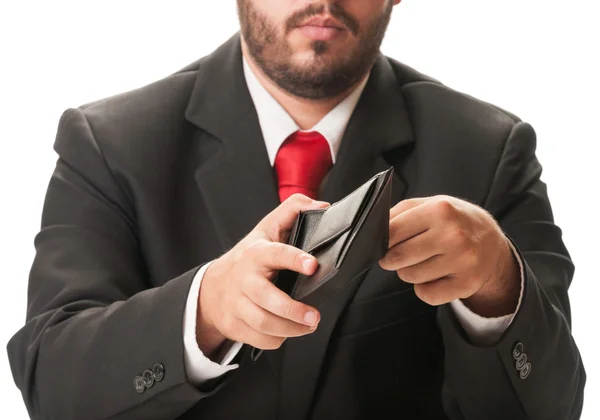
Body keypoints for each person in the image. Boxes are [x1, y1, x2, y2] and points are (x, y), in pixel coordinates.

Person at [6, 1, 585, 419]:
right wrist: (202, 312)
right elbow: (52, 390)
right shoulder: (110, 145)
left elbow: (553, 406)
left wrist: (498, 287)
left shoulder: (490, 149)